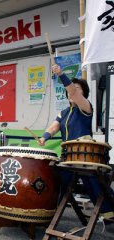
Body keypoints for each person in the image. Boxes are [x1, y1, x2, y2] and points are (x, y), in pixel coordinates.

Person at [39, 64, 114, 221]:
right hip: (68, 156)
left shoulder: (86, 106)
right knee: (60, 181)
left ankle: (109, 213)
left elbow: (73, 92)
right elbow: (54, 127)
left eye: (76, 88)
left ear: (83, 92)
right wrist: (44, 137)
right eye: (71, 88)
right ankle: (50, 214)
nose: (71, 90)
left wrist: (61, 74)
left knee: (93, 182)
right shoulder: (64, 112)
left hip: (85, 155)